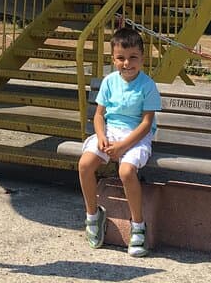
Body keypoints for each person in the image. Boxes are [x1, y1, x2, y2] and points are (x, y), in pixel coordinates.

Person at [77, 26, 161, 257]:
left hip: (136, 137)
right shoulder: (109, 82)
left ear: (142, 58)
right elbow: (98, 115)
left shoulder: (147, 86)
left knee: (126, 171)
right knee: (85, 165)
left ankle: (138, 225)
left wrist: (123, 147)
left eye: (133, 57)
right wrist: (102, 137)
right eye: (121, 58)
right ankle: (93, 216)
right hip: (110, 134)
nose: (127, 63)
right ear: (113, 59)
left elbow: (146, 124)